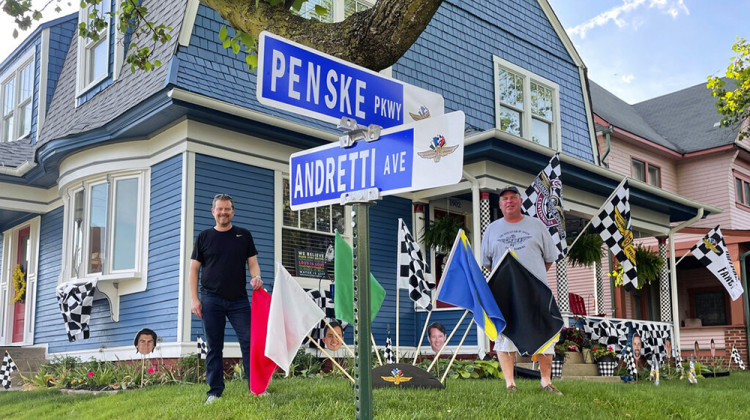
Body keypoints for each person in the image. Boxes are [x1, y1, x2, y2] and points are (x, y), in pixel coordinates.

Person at [481, 185, 561, 395]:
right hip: (504, 295)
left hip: (535, 292)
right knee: (504, 336)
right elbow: (488, 263)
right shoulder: (491, 229)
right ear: (500, 204)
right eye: (505, 198)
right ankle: (510, 384)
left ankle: (546, 381)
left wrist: (529, 280)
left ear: (520, 201)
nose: (509, 201)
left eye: (513, 198)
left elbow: (549, 259)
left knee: (544, 333)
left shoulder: (537, 226)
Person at [190, 193, 263, 404]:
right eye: (219, 209)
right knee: (214, 346)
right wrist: (195, 299)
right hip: (211, 300)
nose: (223, 212)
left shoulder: (244, 235)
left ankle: (255, 387)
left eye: (227, 209)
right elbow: (193, 270)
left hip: (239, 300)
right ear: (213, 212)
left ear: (233, 211)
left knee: (250, 342)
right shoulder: (203, 237)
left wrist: (256, 277)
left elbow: (253, 263)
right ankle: (214, 392)